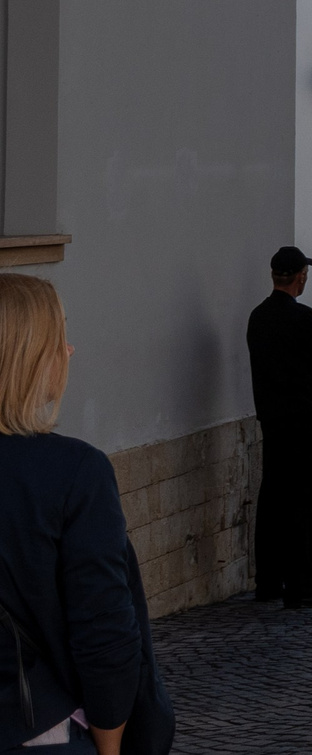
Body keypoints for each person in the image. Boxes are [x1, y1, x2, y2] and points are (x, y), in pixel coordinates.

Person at [0, 273, 174, 753]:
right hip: (37, 727)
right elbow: (105, 631)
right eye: (60, 337)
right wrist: (111, 744)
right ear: (29, 358)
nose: (69, 351)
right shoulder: (74, 472)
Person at [246, 245, 312, 609]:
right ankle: (301, 584)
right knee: (304, 503)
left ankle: (268, 581)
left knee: (272, 499)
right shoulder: (304, 317)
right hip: (304, 422)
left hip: (272, 420)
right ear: (301, 276)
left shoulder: (257, 317)